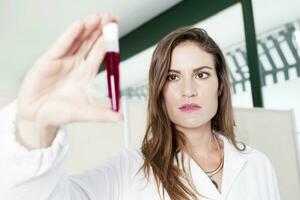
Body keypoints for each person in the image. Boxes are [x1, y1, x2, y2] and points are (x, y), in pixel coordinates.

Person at [0, 13, 280, 200]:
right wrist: (34, 128)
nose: (188, 90)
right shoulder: (130, 171)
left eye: (201, 74)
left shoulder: (257, 165)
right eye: (172, 77)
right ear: (159, 89)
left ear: (220, 85)